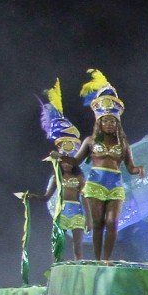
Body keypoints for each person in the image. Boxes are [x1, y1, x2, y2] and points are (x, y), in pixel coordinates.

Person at [78, 70, 142, 263]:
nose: (109, 124)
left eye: (112, 121)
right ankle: (98, 260)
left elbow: (130, 167)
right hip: (95, 184)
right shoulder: (90, 141)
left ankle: (106, 259)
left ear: (117, 123)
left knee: (112, 222)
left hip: (115, 185)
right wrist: (61, 159)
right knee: (98, 224)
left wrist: (138, 170)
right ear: (99, 122)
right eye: (105, 120)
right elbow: (76, 161)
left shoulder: (123, 144)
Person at [33, 79, 89, 264]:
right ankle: (57, 265)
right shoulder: (57, 176)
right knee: (59, 242)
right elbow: (47, 196)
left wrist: (89, 219)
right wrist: (30, 197)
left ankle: (78, 264)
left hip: (78, 211)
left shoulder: (81, 175)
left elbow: (86, 198)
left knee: (78, 246)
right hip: (62, 211)